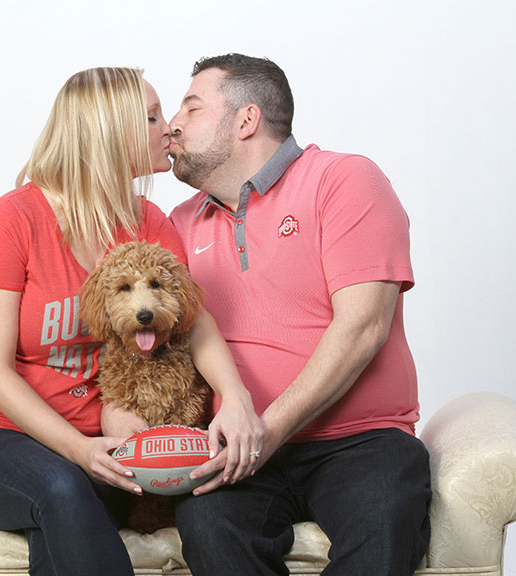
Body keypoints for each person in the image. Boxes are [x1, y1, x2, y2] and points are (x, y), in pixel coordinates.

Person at [0, 67, 261, 576]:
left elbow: (196, 325)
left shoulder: (148, 222)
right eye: (152, 117)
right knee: (63, 488)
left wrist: (237, 399)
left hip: (102, 453)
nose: (169, 127)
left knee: (68, 521)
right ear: (111, 132)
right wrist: (81, 450)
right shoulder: (12, 221)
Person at [167, 54, 432, 576]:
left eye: (192, 108)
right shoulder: (179, 223)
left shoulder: (343, 179)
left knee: (383, 526)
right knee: (207, 528)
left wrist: (268, 432)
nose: (173, 124)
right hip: (236, 446)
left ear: (246, 121)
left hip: (361, 441)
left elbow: (363, 327)